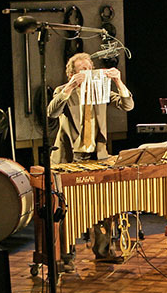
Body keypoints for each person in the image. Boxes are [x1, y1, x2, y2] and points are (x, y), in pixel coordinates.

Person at [47, 52, 135, 262]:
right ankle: (65, 257)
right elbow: (52, 112)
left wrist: (118, 81)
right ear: (71, 74)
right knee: (67, 211)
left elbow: (127, 105)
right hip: (71, 158)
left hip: (97, 156)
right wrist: (70, 87)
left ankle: (103, 252)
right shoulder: (63, 90)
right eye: (82, 70)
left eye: (89, 68)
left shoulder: (100, 89)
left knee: (102, 206)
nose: (87, 72)